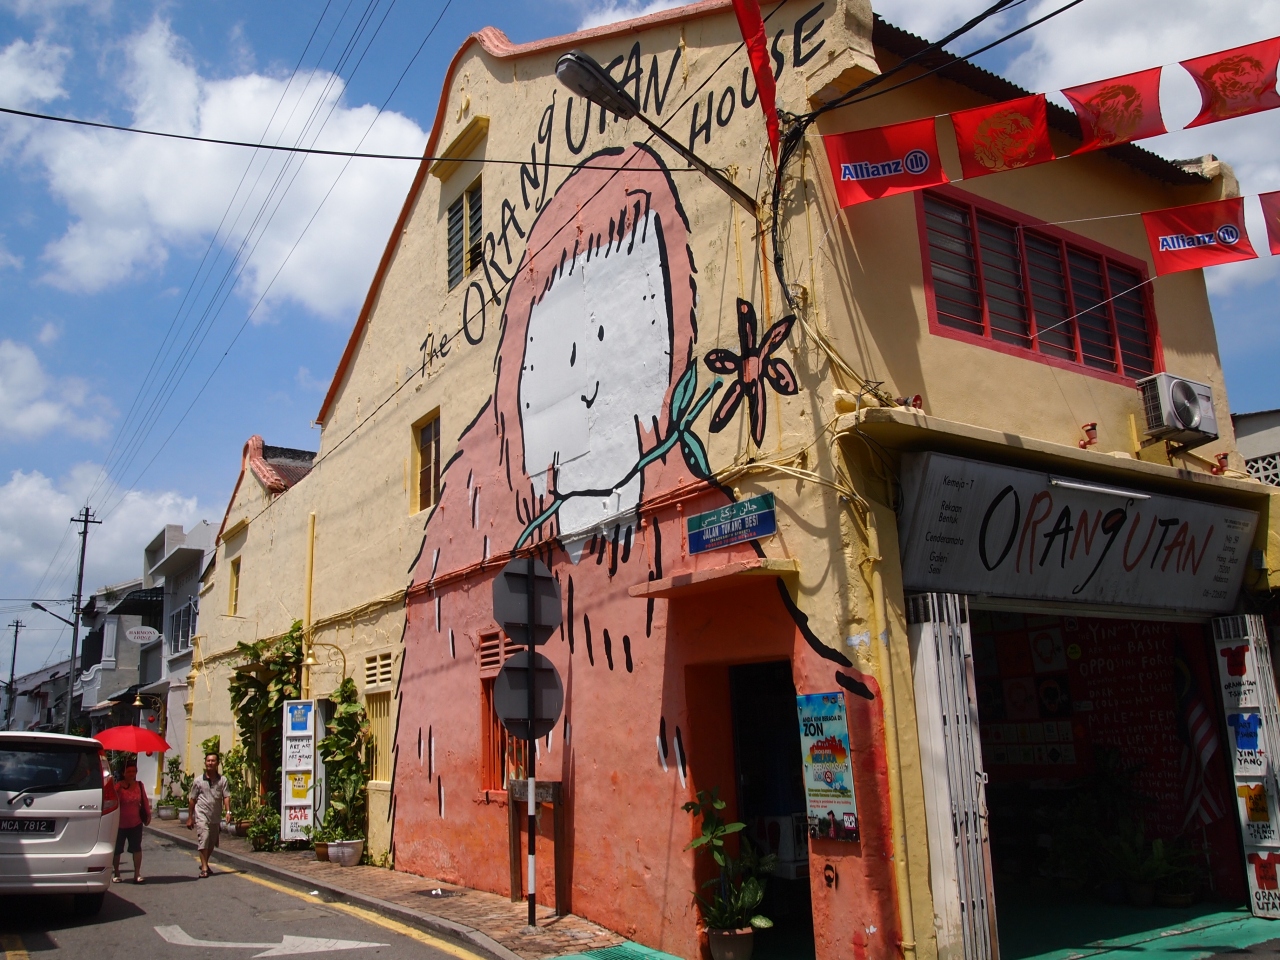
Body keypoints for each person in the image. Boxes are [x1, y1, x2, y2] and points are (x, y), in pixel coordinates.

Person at [187, 752, 230, 878]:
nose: (210, 763)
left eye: (213, 761)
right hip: (202, 814)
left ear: (217, 763)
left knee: (211, 843)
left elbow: (226, 796)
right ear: (205, 763)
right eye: (208, 761)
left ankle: (204, 862)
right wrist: (190, 817)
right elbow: (192, 799)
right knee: (204, 837)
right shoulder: (198, 781)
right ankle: (204, 868)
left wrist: (228, 812)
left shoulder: (222, 780)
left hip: (215, 816)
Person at [112, 760, 151, 883]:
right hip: (120, 824)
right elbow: (113, 802)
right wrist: (118, 790)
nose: (131, 774)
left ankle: (137, 874)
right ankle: (116, 872)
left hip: (136, 822)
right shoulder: (118, 786)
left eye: (133, 771)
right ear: (123, 773)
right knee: (117, 850)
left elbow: (144, 801)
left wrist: (148, 815)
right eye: (128, 771)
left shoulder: (139, 785)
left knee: (136, 848)